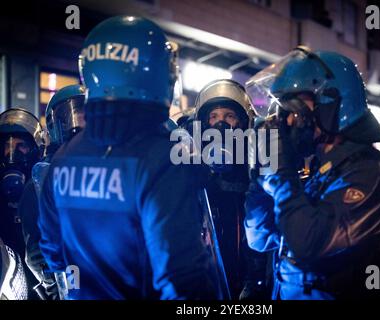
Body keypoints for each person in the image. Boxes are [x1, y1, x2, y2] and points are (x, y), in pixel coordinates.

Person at [38, 15, 221, 300]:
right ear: (153, 72)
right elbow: (182, 279)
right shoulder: (162, 158)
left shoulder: (63, 158)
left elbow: (53, 251)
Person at [244, 47, 380, 299]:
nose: (287, 121)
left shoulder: (371, 176)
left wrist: (282, 175)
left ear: (331, 105)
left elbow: (309, 243)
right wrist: (260, 183)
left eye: (295, 108)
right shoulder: (321, 172)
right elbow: (260, 238)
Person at [194, 79, 270, 299]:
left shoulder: (255, 162)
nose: (221, 124)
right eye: (214, 117)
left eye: (229, 116)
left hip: (248, 270)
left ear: (242, 122)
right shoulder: (193, 162)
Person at [17, 84, 86, 300]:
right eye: (71, 117)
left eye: (86, 116)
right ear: (57, 126)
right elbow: (37, 252)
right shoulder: (41, 180)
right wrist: (56, 291)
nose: (80, 125)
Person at [0, 108, 45, 260]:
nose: (12, 153)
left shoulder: (42, 192)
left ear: (34, 151)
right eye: (7, 146)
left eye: (21, 146)